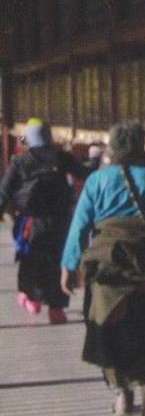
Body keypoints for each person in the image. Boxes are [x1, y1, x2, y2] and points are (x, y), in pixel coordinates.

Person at [60, 121, 145, 416]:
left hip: (110, 269)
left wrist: (68, 266)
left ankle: (121, 393)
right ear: (141, 147)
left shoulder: (96, 181)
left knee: (107, 327)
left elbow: (80, 226)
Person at [0, 118, 89, 323]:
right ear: (48, 135)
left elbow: (4, 193)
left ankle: (32, 297)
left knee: (30, 259)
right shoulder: (62, 158)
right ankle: (57, 309)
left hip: (31, 222)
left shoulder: (21, 161)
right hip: (60, 221)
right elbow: (84, 173)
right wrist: (96, 161)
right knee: (59, 260)